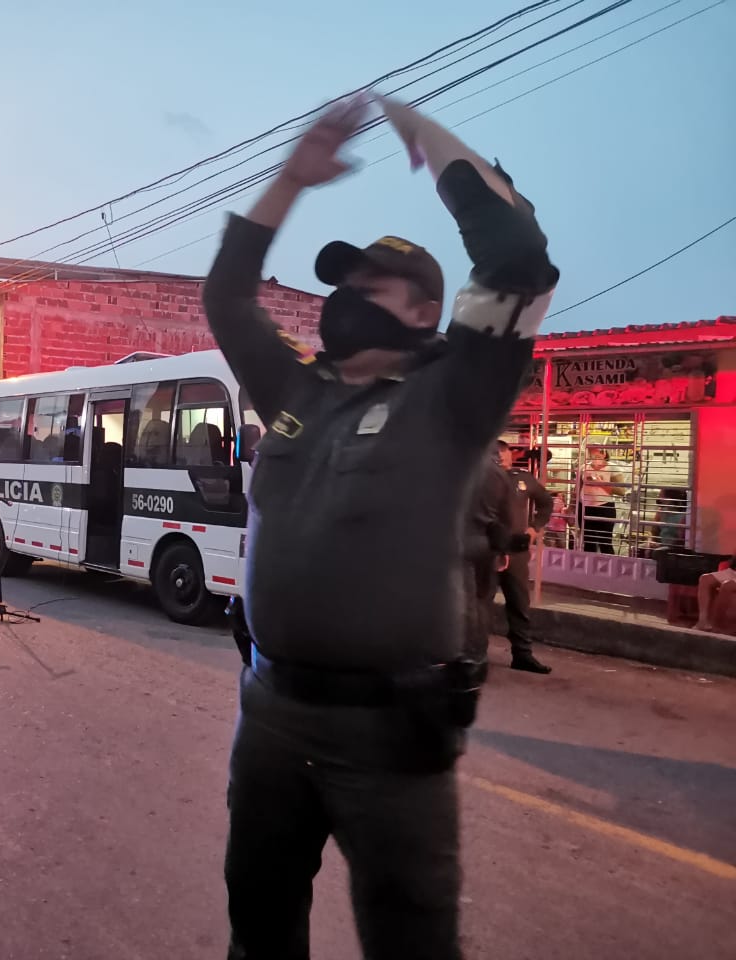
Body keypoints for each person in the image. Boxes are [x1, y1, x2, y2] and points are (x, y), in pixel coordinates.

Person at [203, 92, 558, 959]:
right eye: (342, 285)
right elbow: (226, 295)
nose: (345, 297)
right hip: (272, 715)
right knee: (259, 926)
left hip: (392, 741)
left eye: (371, 285)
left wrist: (424, 134)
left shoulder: (454, 393)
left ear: (423, 312)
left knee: (410, 944)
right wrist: (292, 178)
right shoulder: (296, 390)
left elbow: (516, 255)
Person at [498, 441, 554, 674]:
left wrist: (534, 528)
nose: (500, 457)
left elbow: (546, 502)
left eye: (504, 453)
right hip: (487, 551)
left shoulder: (522, 478)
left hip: (517, 551)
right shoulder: (475, 480)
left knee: (520, 604)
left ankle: (522, 654)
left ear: (511, 455)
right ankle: (474, 656)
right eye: (495, 453)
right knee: (477, 607)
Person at [463, 449, 514, 677]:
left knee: (460, 602)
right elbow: (507, 518)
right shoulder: (499, 474)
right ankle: (477, 658)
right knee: (482, 602)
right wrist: (503, 550)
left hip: (455, 545)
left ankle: (460, 657)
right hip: (487, 546)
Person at [579, 446, 620, 553]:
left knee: (605, 542)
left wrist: (602, 484)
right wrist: (572, 506)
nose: (595, 454)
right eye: (592, 451)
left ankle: (608, 568)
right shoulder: (583, 467)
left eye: (598, 451)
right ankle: (589, 568)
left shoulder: (613, 468)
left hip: (604, 508)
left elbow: (621, 491)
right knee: (588, 542)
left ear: (604, 453)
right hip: (585, 508)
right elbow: (577, 488)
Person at [695, 554, 736, 633]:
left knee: (727, 585)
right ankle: (702, 621)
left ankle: (717, 625)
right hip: (734, 571)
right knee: (705, 578)